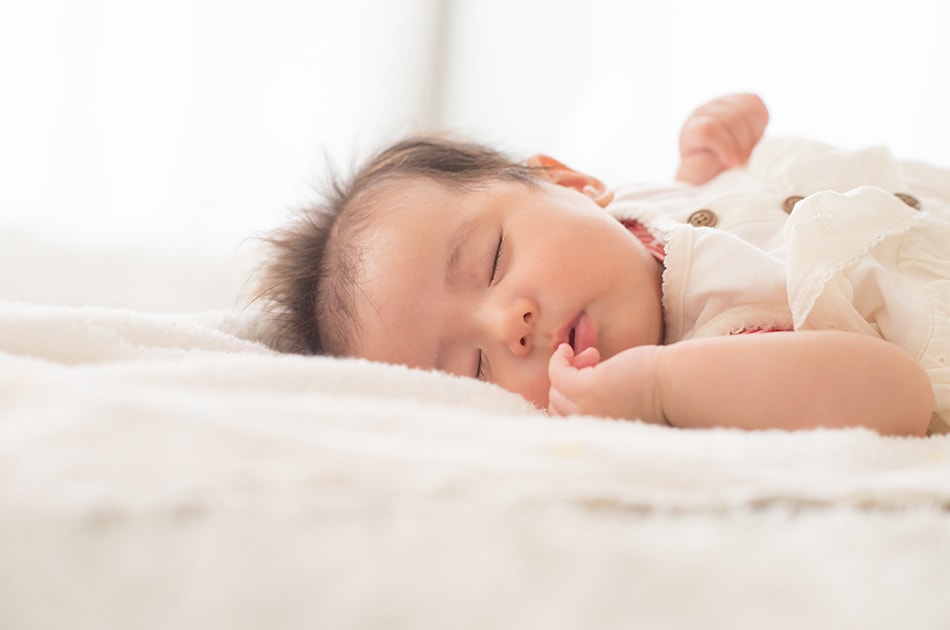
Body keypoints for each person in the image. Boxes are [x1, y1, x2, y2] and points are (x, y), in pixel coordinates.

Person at [256, 93, 949, 436]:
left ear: (571, 183)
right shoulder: (713, 361)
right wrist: (656, 389)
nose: (510, 326)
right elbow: (896, 390)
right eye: (473, 368)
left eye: (492, 259)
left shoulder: (627, 215)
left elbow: (705, 220)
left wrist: (706, 165)